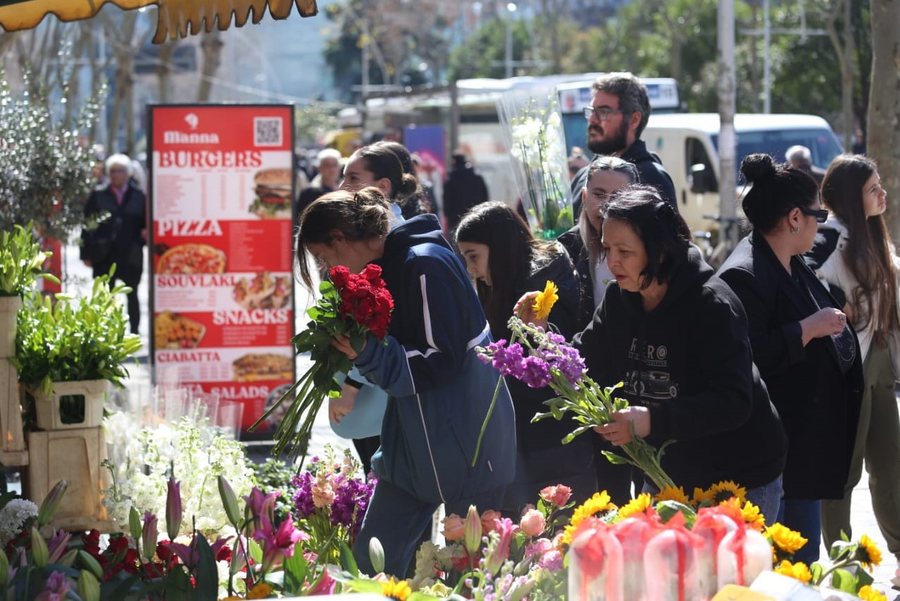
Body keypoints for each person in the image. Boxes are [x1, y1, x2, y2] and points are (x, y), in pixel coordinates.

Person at [518, 186, 788, 520]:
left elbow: (733, 402)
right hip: (666, 475)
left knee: (725, 574)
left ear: (659, 251)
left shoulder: (711, 305)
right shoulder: (619, 300)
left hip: (739, 474)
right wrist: (542, 334)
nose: (612, 261)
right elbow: (583, 363)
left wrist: (652, 420)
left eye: (625, 251)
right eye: (607, 248)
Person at [297, 187, 516, 576]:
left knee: (472, 578)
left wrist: (364, 353)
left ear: (340, 239)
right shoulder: (398, 265)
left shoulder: (423, 264)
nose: (329, 270)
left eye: (323, 257)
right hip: (409, 453)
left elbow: (437, 362)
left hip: (468, 452)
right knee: (370, 567)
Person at [717, 154, 863, 563]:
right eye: (818, 215)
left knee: (802, 566)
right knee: (780, 572)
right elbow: (747, 357)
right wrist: (808, 328)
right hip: (773, 456)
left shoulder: (791, 260)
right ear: (795, 217)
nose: (821, 225)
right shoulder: (744, 273)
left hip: (802, 452)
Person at [455, 202, 596, 513]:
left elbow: (563, 355)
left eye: (474, 256)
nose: (471, 269)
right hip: (526, 444)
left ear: (500, 248)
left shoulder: (537, 293)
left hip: (554, 446)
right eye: (465, 258)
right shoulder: (504, 285)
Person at [812, 154, 900, 570]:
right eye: (871, 187)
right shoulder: (829, 238)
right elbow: (805, 280)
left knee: (889, 462)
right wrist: (835, 304)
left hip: (881, 359)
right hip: (850, 364)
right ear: (850, 196)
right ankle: (842, 563)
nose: (882, 192)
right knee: (844, 472)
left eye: (879, 183)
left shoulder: (874, 234)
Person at [328, 143, 420, 475]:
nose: (341, 187)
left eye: (353, 177)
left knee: (388, 476)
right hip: (372, 373)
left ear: (382, 186)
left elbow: (381, 320)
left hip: (378, 378)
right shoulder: (373, 232)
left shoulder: (388, 239)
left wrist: (351, 386)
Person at [557, 156, 639, 505]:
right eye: (599, 193)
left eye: (618, 194)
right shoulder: (563, 251)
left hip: (644, 388)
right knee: (607, 497)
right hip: (589, 395)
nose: (607, 204)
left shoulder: (650, 250)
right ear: (584, 196)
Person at [570, 72, 677, 215]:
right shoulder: (583, 175)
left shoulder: (652, 178)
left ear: (634, 120)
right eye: (591, 111)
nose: (593, 120)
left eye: (603, 112)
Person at [81, 153, 147, 334]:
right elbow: (88, 225)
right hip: (104, 254)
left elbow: (145, 223)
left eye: (121, 171)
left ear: (128, 173)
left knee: (132, 293)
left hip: (130, 253)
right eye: (113, 171)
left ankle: (134, 332)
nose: (117, 175)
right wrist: (85, 253)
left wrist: (144, 238)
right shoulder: (98, 195)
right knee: (105, 296)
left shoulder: (139, 196)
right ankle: (105, 333)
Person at [442, 152, 489, 234]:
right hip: (477, 217)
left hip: (456, 221)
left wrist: (448, 214)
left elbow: (447, 201)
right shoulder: (477, 177)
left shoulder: (451, 179)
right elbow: (485, 197)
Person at [296, 148, 342, 218]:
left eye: (334, 165)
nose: (331, 169)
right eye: (327, 165)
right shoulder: (309, 193)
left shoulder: (346, 190)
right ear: (319, 168)